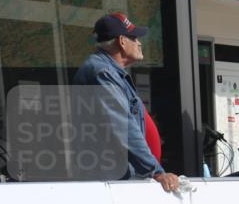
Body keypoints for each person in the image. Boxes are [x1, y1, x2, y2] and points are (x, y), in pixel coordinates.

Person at [73, 12, 180, 192]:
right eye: (134, 38)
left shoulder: (109, 71)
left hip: (113, 179)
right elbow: (123, 126)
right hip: (108, 184)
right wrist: (156, 172)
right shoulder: (103, 73)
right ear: (122, 41)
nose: (139, 43)